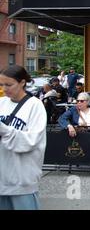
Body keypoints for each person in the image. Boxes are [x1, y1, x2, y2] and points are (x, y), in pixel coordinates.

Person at [0, 65, 47, 210]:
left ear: (22, 83)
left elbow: (31, 141)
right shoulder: (1, 103)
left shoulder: (35, 106)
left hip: (22, 179)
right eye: (1, 85)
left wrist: (3, 129)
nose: (4, 89)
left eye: (9, 84)